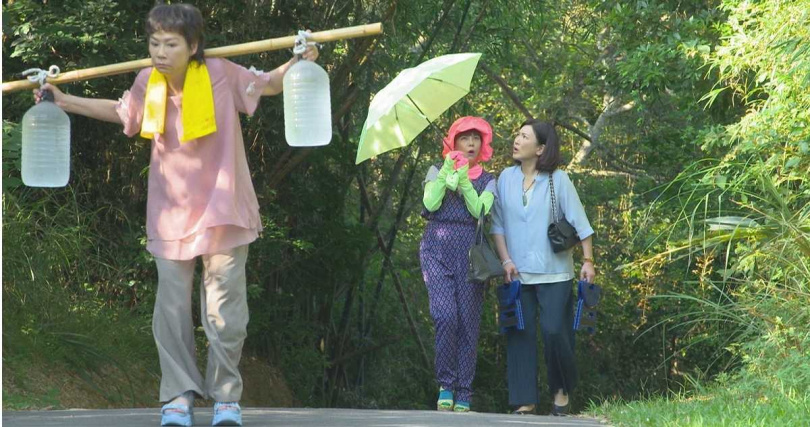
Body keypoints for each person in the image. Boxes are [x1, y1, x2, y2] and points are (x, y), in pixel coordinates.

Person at [33, 4, 318, 426]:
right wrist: (63, 99)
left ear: (193, 46)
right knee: (170, 308)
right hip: (171, 211)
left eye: (170, 44)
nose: (160, 52)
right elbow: (120, 112)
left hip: (224, 208)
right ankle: (178, 396)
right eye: (154, 43)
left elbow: (269, 85)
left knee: (225, 311)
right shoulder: (148, 81)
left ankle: (225, 398)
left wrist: (298, 59)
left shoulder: (220, 73)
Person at [490, 119, 596, 416]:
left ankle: (561, 389)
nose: (516, 139)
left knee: (554, 331)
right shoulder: (505, 178)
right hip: (517, 272)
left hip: (555, 272)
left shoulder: (557, 180)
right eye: (517, 134)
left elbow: (580, 222)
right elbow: (497, 225)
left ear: (540, 148)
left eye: (524, 136)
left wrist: (588, 261)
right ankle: (525, 400)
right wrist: (505, 261)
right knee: (519, 333)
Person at [419, 116, 496, 413]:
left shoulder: (490, 179)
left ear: (483, 145)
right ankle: (445, 385)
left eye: (476, 139)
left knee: (468, 322)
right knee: (445, 316)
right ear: (453, 142)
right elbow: (429, 204)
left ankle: (463, 389)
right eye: (465, 138)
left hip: (470, 254)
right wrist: (446, 175)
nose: (471, 143)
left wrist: (464, 181)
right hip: (435, 249)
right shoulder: (436, 170)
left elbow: (480, 210)